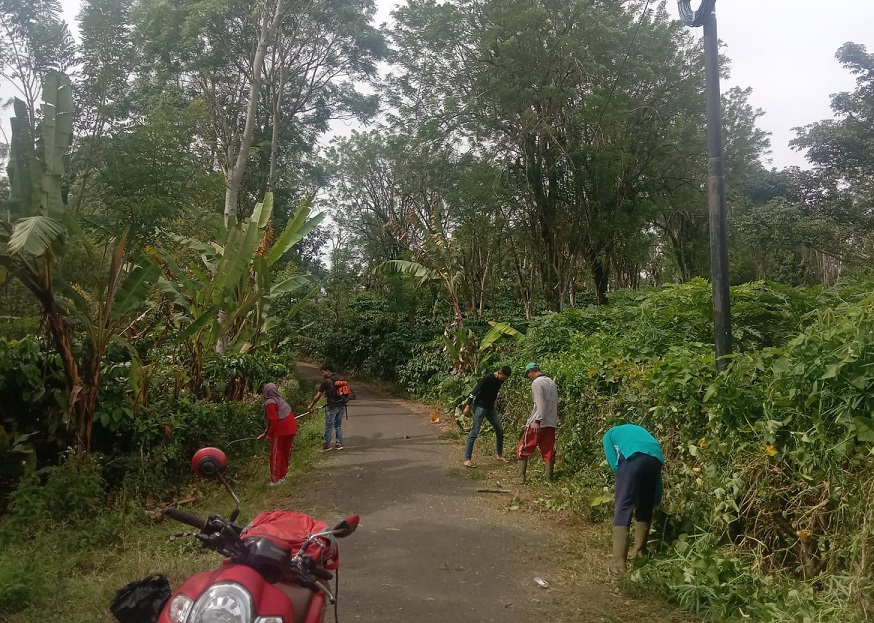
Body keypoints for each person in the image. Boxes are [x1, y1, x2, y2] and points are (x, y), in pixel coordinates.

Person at [602, 423, 664, 574]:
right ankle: (639, 551)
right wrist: (655, 502)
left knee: (623, 506)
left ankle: (618, 562)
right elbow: (658, 483)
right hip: (656, 457)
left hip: (632, 456)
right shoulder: (640, 433)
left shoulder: (608, 435)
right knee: (645, 504)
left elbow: (615, 464)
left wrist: (626, 485)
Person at [516, 362, 558, 483]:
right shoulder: (551, 382)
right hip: (551, 422)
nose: (529, 377)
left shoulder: (537, 382)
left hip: (537, 423)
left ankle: (521, 478)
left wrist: (537, 420)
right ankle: (549, 479)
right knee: (548, 450)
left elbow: (540, 403)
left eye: (528, 375)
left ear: (531, 372)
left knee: (523, 448)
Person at [462, 365, 512, 467]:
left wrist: (495, 401)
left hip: (490, 408)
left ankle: (499, 455)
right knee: (474, 432)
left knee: (500, 430)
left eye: (505, 379)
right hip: (480, 406)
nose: (503, 380)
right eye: (503, 378)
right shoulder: (487, 378)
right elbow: (474, 391)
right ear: (499, 373)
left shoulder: (501, 380)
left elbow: (495, 391)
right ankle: (467, 459)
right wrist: (467, 406)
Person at [259, 383, 298, 485]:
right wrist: (266, 433)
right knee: (284, 452)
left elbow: (274, 420)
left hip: (281, 430)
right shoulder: (280, 400)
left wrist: (270, 434)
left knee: (276, 454)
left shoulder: (270, 402)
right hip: (291, 428)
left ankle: (275, 479)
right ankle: (282, 476)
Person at [307, 362, 346, 452]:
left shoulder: (326, 382)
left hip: (332, 406)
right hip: (342, 405)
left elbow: (318, 396)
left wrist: (311, 405)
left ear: (327, 371)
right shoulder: (340, 378)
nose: (322, 374)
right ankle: (339, 444)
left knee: (329, 425)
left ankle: (327, 445)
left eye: (323, 372)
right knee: (338, 425)